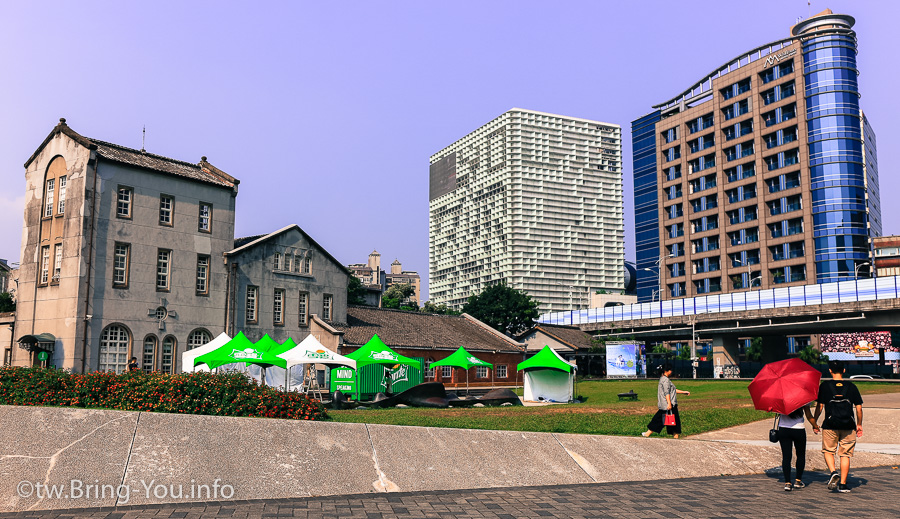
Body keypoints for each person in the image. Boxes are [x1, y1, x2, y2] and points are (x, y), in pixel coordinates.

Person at [812, 360, 864, 493]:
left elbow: (820, 406)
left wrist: (815, 422)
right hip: (848, 425)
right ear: (844, 370)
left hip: (830, 424)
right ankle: (843, 484)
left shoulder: (825, 386)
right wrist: (859, 424)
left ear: (830, 370)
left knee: (828, 451)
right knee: (845, 454)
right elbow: (859, 408)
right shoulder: (851, 386)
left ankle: (833, 472)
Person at [641, 363, 690, 439]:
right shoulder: (665, 380)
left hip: (666, 404)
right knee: (665, 420)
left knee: (663, 420)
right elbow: (666, 393)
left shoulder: (664, 379)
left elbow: (672, 390)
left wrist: (684, 392)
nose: (671, 371)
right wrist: (669, 404)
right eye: (670, 370)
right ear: (666, 371)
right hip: (668, 405)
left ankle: (674, 436)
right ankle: (649, 433)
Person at [777, 404, 819, 491]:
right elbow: (808, 415)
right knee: (800, 455)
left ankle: (787, 483)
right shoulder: (802, 398)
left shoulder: (781, 397)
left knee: (786, 456)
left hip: (784, 429)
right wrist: (815, 425)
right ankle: (798, 480)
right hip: (799, 429)